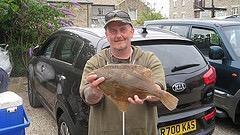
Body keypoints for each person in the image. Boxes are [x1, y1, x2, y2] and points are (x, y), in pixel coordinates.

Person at [79, 10, 166, 135]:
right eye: (113, 31)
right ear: (107, 35)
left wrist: (151, 94)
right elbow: (87, 97)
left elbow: (159, 88)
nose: (118, 35)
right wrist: (94, 91)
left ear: (131, 31)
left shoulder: (149, 59)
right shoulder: (95, 62)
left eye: (123, 29)